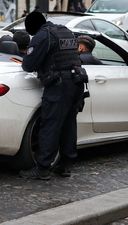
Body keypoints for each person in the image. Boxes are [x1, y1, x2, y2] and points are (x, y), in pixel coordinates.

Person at [20, 11, 85, 180]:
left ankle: (42, 168)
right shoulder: (65, 31)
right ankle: (65, 165)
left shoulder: (43, 35)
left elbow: (28, 65)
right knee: (69, 125)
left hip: (59, 85)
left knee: (50, 125)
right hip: (77, 82)